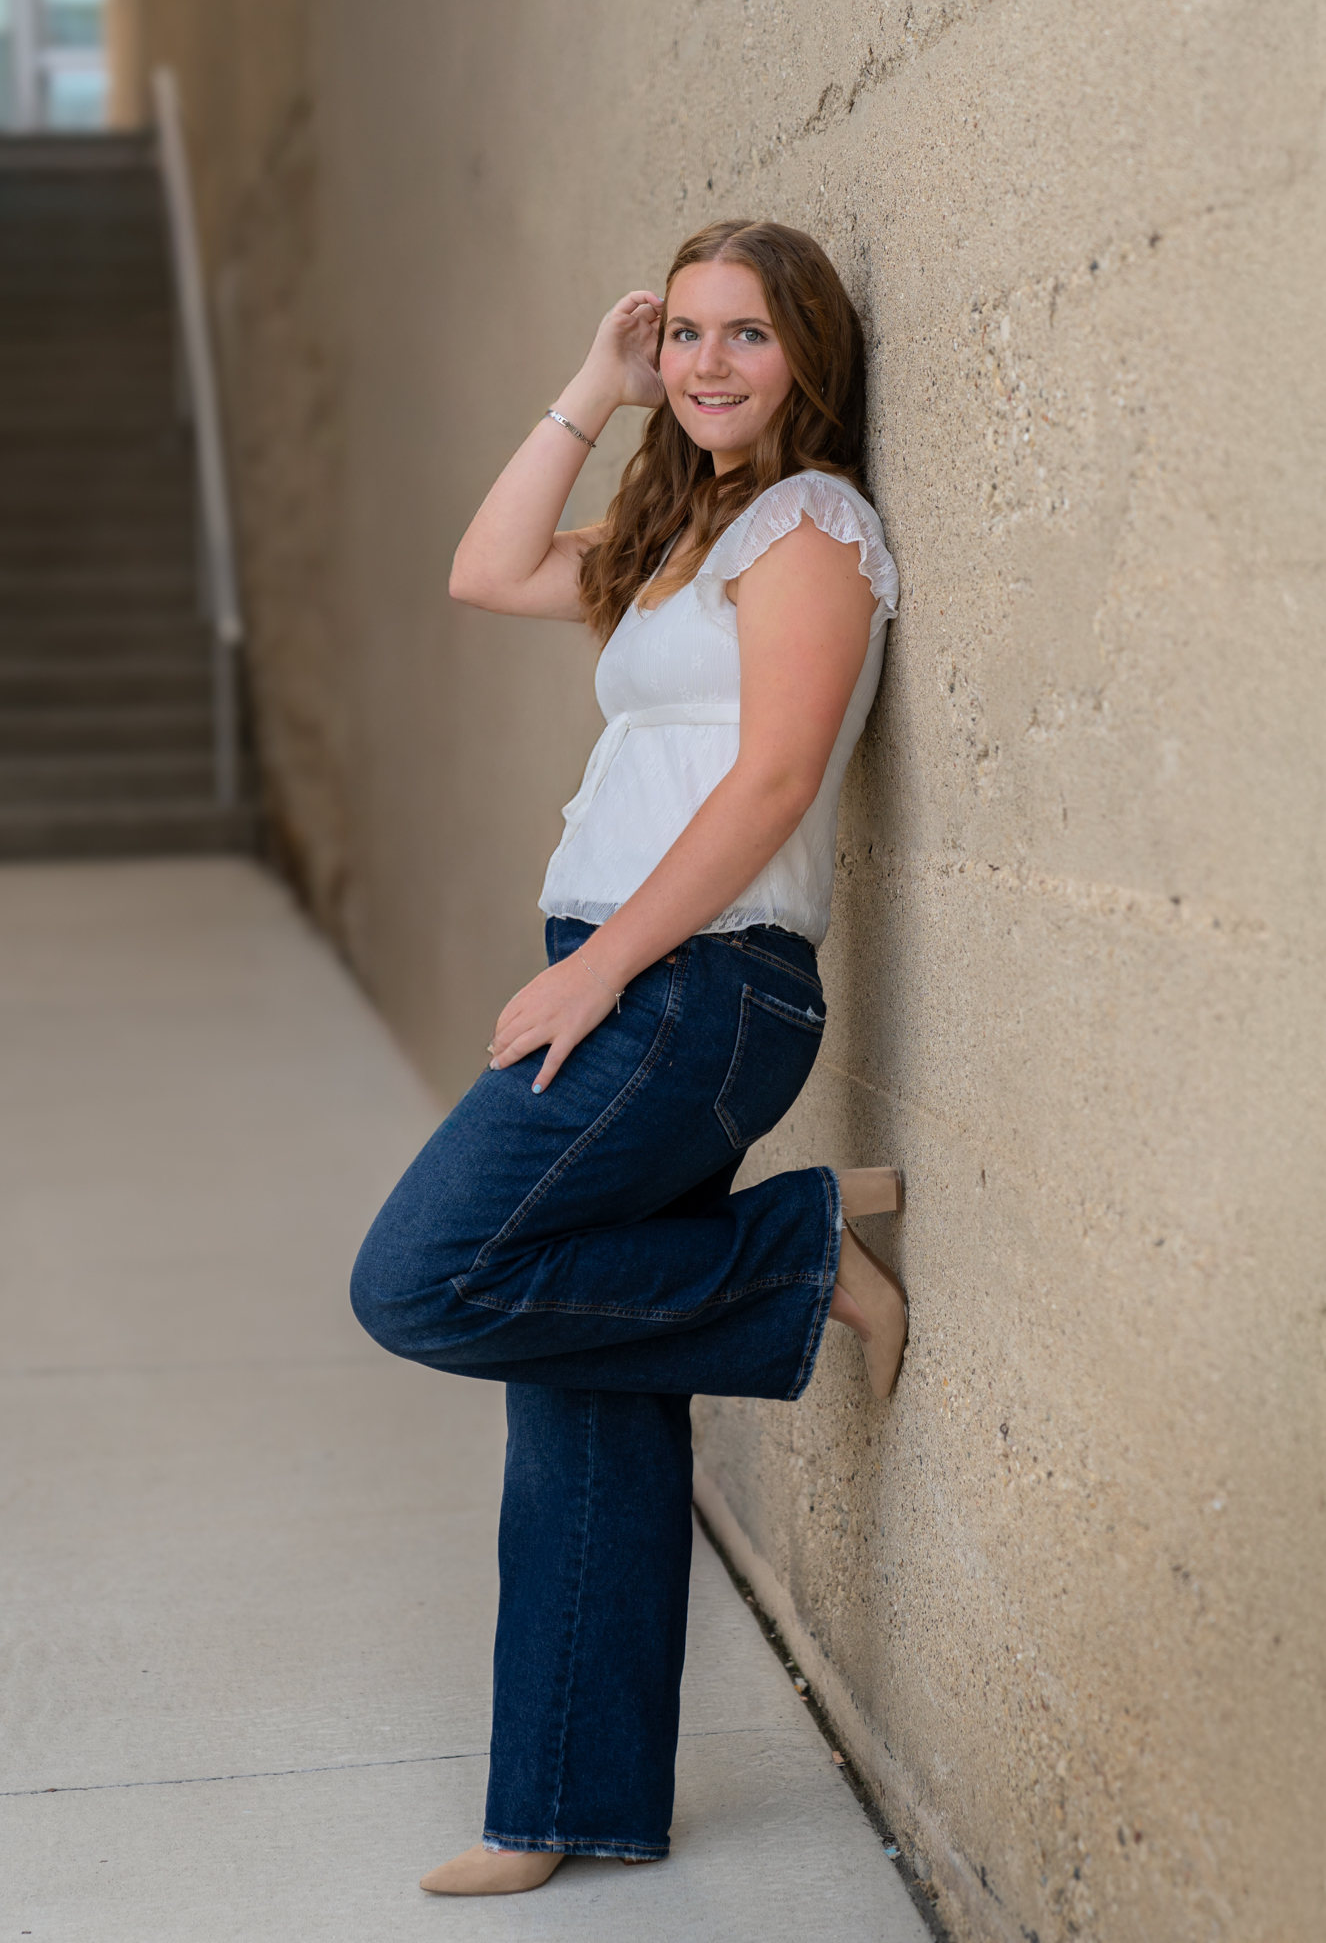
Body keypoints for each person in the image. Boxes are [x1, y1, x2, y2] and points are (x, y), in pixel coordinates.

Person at [350, 219, 908, 1897]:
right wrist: (588, 390)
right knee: (583, 1392)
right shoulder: (688, 528)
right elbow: (484, 568)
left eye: (747, 336)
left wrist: (599, 967)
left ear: (807, 355)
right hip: (631, 968)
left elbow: (771, 787)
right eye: (684, 336)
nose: (708, 366)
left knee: (424, 1277)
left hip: (697, 984)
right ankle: (562, 1808)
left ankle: (801, 1255)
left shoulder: (812, 526)